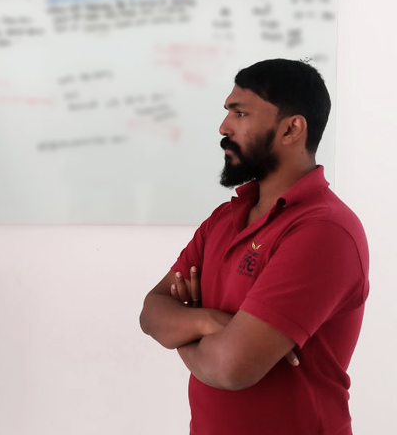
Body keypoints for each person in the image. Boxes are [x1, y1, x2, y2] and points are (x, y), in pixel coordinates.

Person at [139, 59, 369, 435]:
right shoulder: (223, 220)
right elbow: (151, 313)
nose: (224, 127)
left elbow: (231, 368)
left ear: (292, 129)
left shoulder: (325, 231)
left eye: (240, 113)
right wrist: (209, 322)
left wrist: (181, 333)